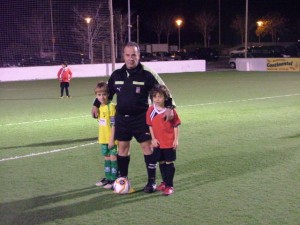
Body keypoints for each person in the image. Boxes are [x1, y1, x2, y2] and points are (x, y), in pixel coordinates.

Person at [91, 42, 175, 193]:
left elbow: (163, 90)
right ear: (123, 56)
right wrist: (95, 104)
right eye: (128, 55)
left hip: (141, 118)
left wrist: (169, 107)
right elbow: (106, 92)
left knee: (147, 147)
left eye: (134, 55)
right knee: (122, 149)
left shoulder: (147, 74)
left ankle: (151, 182)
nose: (131, 58)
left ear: (139, 56)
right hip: (122, 118)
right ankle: (123, 180)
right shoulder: (116, 75)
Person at [146, 84, 181, 196]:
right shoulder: (151, 110)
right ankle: (164, 183)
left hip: (169, 142)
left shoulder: (170, 111)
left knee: (168, 163)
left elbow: (176, 125)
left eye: (160, 96)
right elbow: (150, 125)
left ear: (165, 97)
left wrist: (176, 140)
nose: (157, 99)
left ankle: (170, 186)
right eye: (155, 96)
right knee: (161, 162)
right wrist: (153, 139)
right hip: (158, 143)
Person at [94, 82, 118, 189]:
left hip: (111, 139)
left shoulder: (111, 107)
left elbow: (114, 124)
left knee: (113, 158)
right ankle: (108, 178)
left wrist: (112, 139)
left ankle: (114, 179)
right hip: (103, 139)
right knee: (107, 158)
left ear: (108, 94)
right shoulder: (99, 107)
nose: (101, 97)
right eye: (99, 95)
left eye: (104, 94)